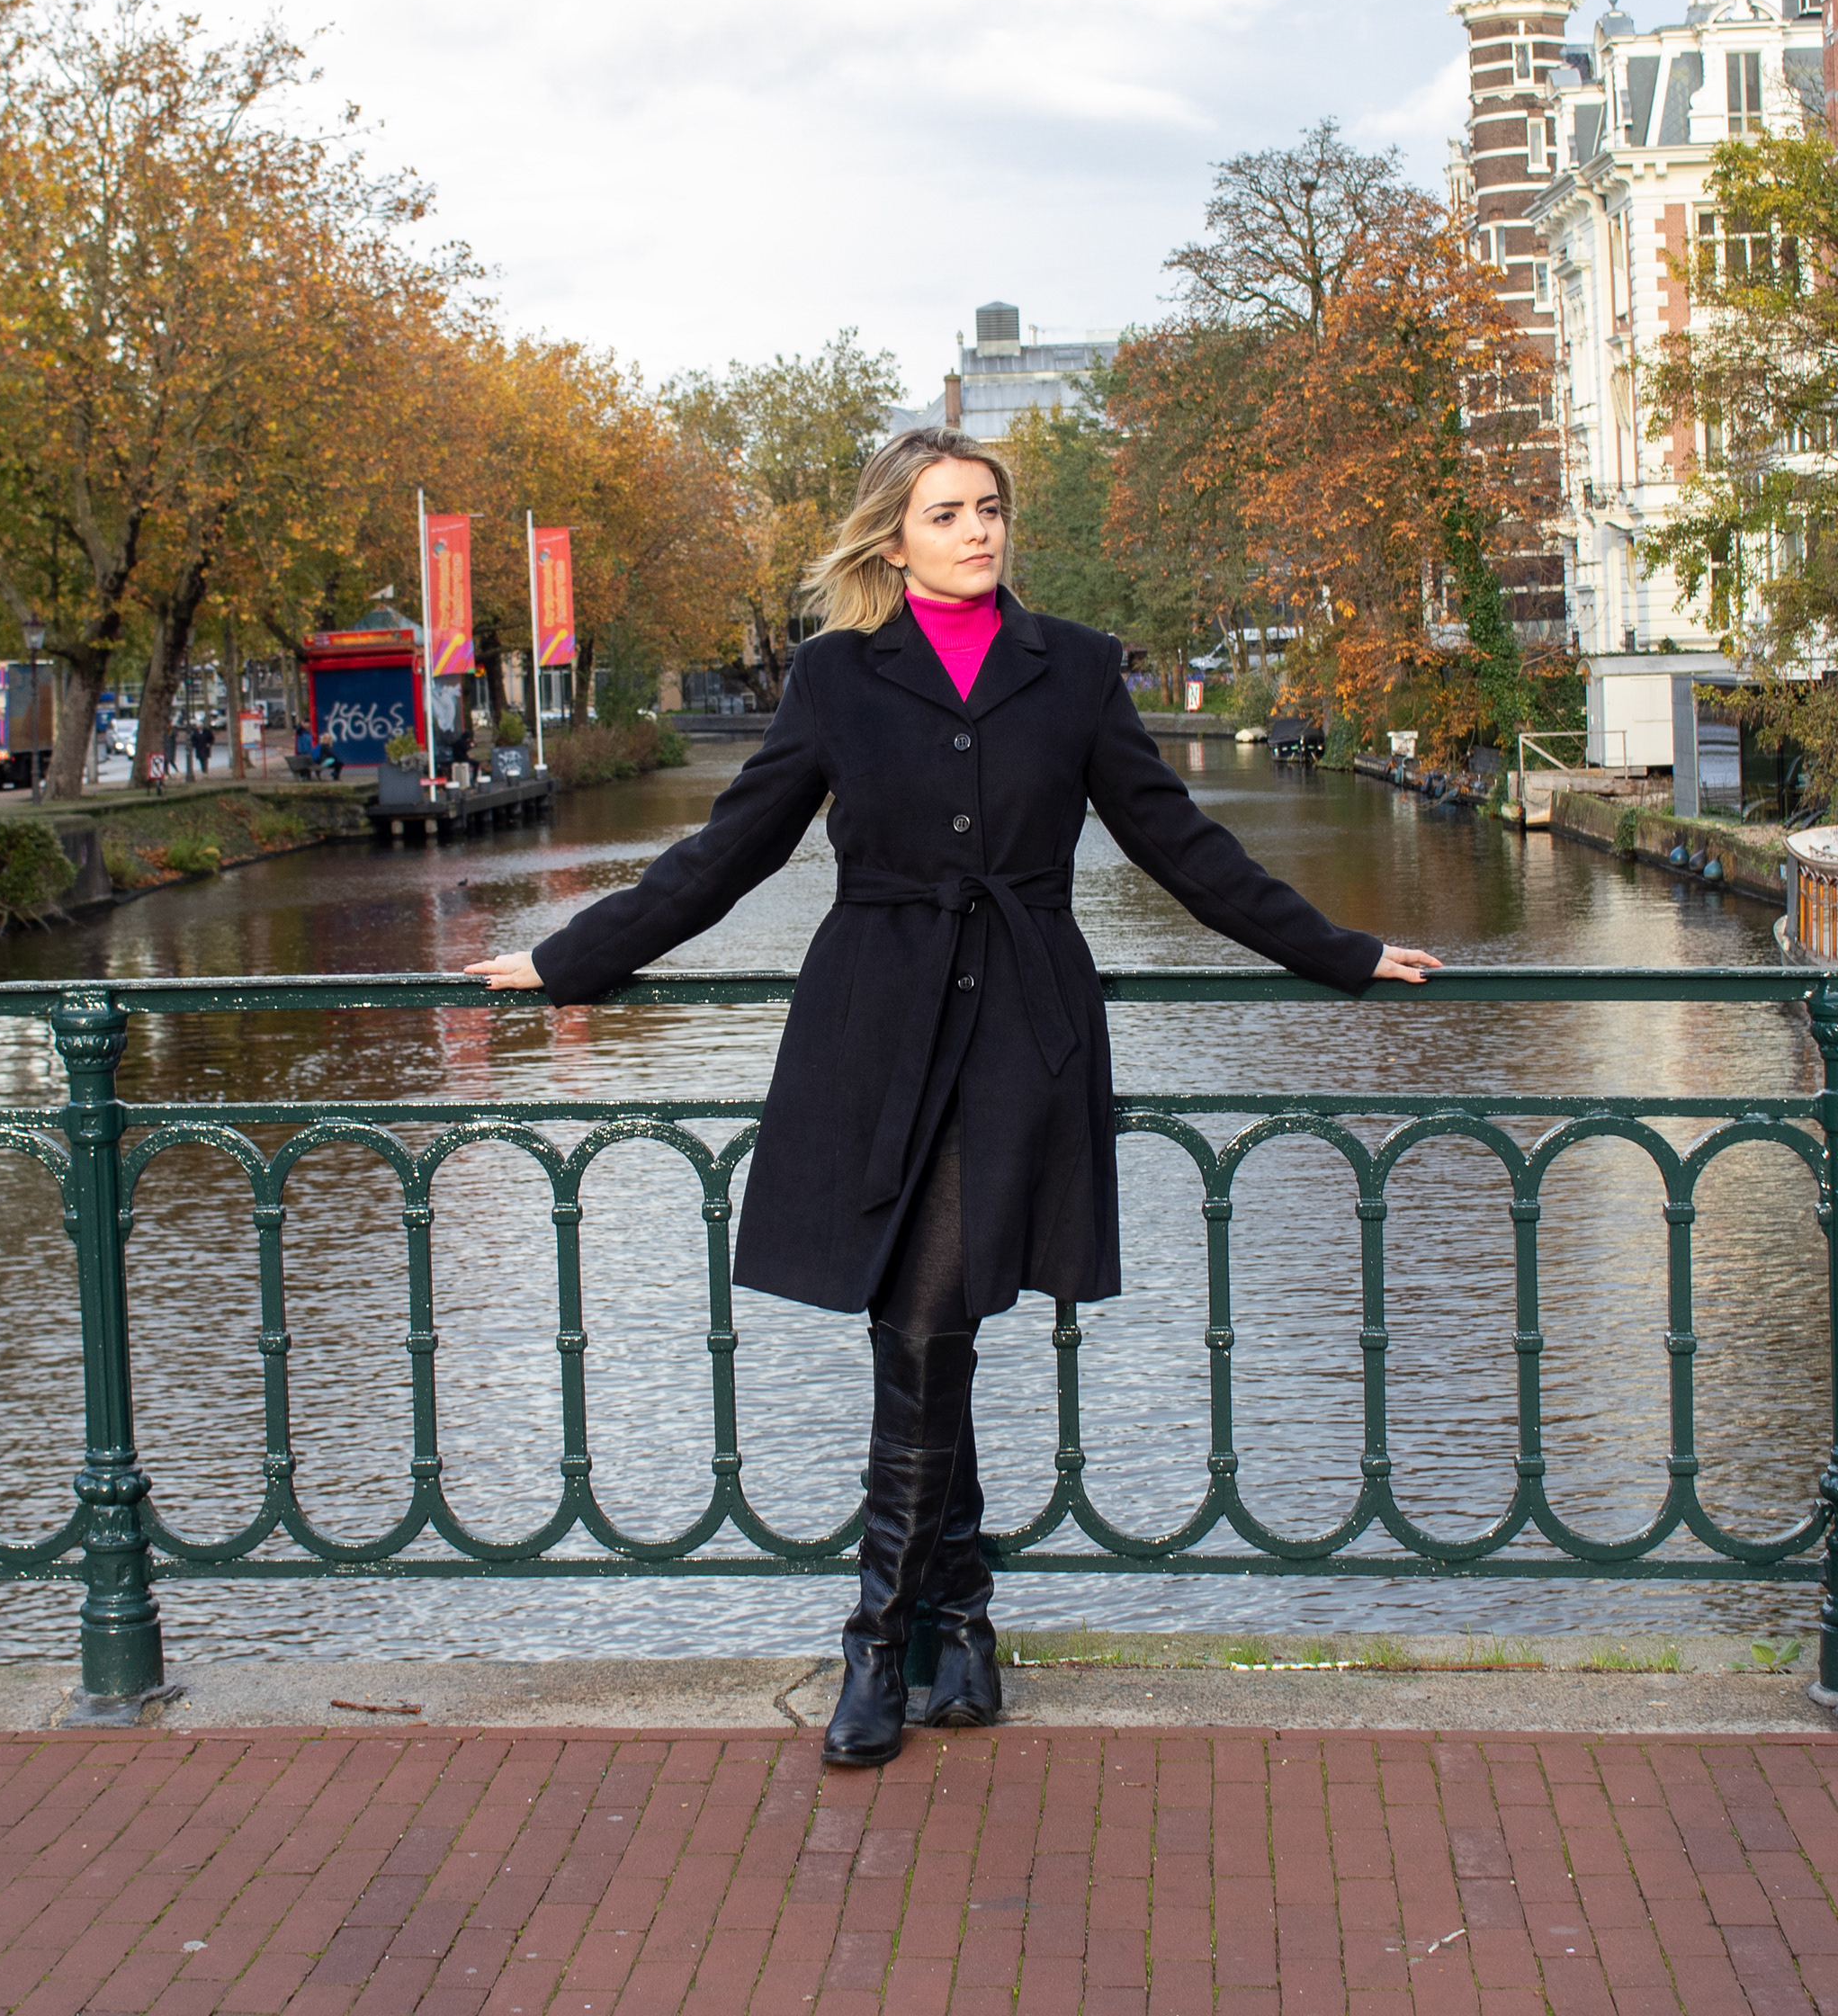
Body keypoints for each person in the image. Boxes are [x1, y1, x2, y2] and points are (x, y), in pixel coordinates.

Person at [466, 427, 1436, 1770]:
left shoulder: (1076, 666)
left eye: (989, 508)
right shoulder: (833, 675)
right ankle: (962, 1624)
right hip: (874, 1027)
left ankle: (876, 1641)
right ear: (892, 540)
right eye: (947, 513)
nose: (979, 531)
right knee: (924, 1329)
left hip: (1020, 1029)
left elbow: (1182, 845)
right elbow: (729, 851)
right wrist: (570, 957)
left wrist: (1338, 950)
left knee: (924, 1323)